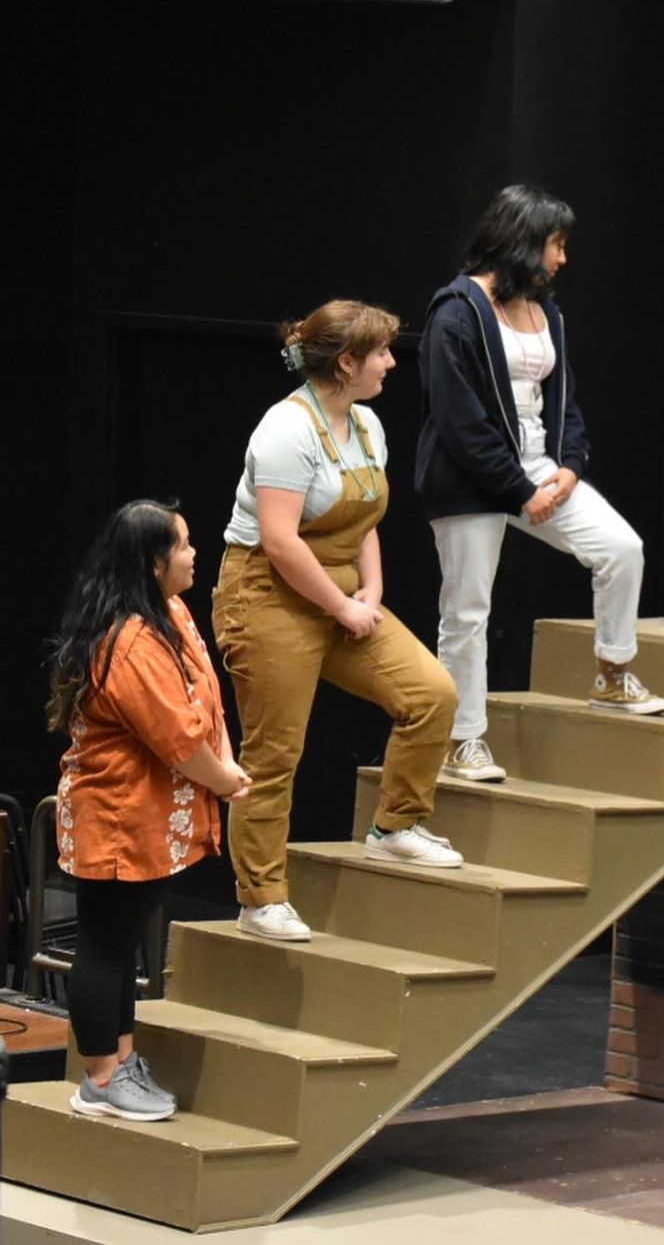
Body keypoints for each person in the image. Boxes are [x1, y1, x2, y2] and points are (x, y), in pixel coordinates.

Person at [213, 300, 462, 945]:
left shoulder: (368, 425)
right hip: (268, 595)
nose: (390, 363)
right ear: (346, 363)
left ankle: (395, 828)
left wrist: (372, 590)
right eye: (379, 352)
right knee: (274, 754)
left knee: (431, 694)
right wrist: (342, 603)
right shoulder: (285, 430)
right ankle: (261, 897)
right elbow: (281, 541)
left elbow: (364, 522)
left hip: (341, 594)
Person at [415, 184, 664, 784]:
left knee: (621, 549)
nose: (562, 259)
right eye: (556, 244)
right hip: (471, 480)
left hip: (539, 473)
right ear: (524, 241)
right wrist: (516, 488)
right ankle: (463, 740)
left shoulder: (546, 311)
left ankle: (612, 672)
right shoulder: (455, 312)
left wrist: (570, 465)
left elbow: (566, 401)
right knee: (468, 611)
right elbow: (460, 420)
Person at [46, 500, 252, 1121]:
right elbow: (177, 737)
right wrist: (223, 779)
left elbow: (204, 702)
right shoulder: (129, 642)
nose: (194, 554)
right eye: (184, 545)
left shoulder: (170, 612)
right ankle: (101, 1079)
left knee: (124, 940)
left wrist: (224, 763)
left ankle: (122, 1062)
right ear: (154, 561)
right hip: (113, 818)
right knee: (105, 942)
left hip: (147, 819)